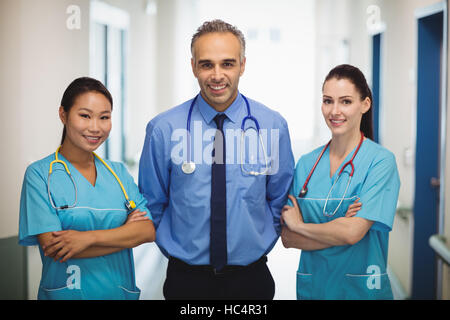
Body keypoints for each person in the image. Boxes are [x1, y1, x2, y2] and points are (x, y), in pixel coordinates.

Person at [139, 19, 294, 300]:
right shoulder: (164, 129)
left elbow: (279, 198)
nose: (217, 75)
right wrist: (174, 243)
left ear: (243, 65)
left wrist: (258, 238)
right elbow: (152, 202)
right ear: (193, 66)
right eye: (207, 64)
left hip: (251, 279)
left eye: (228, 63)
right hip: (185, 280)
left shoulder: (272, 126)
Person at [18, 77, 155, 300]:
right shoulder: (40, 174)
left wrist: (86, 238)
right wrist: (125, 236)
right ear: (63, 114)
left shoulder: (118, 173)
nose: (95, 127)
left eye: (104, 117)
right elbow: (54, 248)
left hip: (118, 293)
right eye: (84, 116)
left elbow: (147, 231)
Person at [281, 64, 400, 300]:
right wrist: (338, 227)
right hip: (314, 289)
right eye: (328, 101)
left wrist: (301, 226)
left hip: (362, 290)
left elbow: (352, 233)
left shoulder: (381, 162)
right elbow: (288, 238)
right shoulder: (306, 164)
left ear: (364, 104)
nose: (335, 111)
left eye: (345, 101)